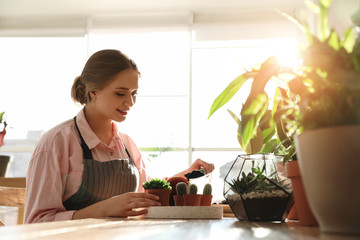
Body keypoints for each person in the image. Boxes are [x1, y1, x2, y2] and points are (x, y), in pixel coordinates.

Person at [25, 49, 214, 223]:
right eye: (120, 93)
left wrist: (189, 174)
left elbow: (147, 195)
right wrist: (104, 209)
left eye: (134, 93)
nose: (130, 102)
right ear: (93, 93)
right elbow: (36, 223)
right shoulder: (56, 143)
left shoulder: (126, 144)